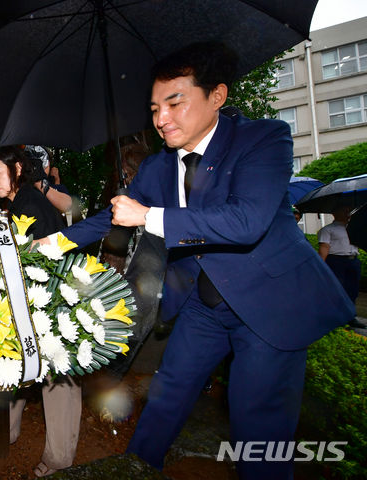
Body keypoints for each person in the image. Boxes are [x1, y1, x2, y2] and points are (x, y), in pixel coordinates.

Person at [39, 42, 354, 479]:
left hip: (268, 305)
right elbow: (110, 216)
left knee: (257, 425)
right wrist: (50, 246)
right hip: (203, 306)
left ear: (216, 97)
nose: (161, 118)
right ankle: (137, 467)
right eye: (153, 108)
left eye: (175, 102)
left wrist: (148, 216)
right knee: (167, 393)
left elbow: (247, 221)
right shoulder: (155, 168)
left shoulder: (263, 139)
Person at [0, 145, 81, 477]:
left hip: (50, 302)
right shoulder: (16, 204)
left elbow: (35, 256)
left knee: (58, 377)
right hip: (28, 302)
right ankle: (6, 432)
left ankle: (58, 459)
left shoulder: (29, 202)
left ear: (18, 170)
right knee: (15, 364)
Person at [318, 205, 361, 303]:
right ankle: (338, 314)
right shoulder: (327, 229)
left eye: (348, 211)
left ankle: (351, 312)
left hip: (353, 260)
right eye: (344, 211)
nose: (347, 213)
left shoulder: (354, 228)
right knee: (338, 288)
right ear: (335, 213)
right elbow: (324, 248)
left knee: (353, 289)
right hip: (336, 261)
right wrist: (321, 266)